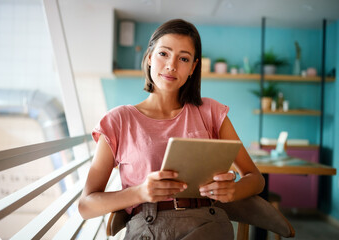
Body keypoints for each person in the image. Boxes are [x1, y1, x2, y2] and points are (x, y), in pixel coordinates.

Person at [78, 19, 265, 239]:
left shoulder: (211, 112)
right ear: (149, 58)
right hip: (148, 227)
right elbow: (86, 205)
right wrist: (140, 192)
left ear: (193, 68)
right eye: (163, 54)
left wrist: (233, 190)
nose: (171, 65)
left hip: (208, 224)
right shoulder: (118, 120)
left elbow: (255, 178)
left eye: (183, 58)